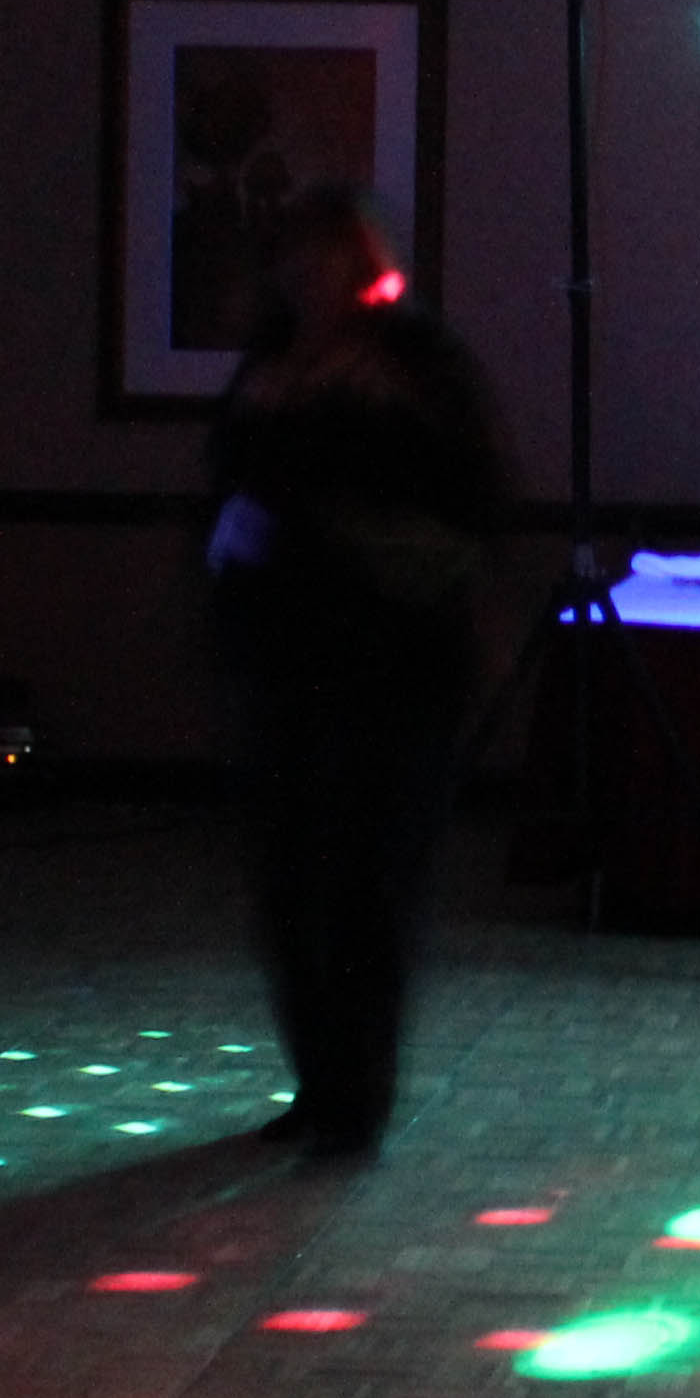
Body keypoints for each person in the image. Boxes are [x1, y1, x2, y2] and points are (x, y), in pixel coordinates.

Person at [204, 186, 498, 1163]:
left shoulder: (414, 363)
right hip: (285, 659)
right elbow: (234, 483)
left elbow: (470, 490)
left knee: (370, 889)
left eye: (328, 255)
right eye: (297, 256)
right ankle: (318, 1085)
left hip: (396, 666)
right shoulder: (271, 361)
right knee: (290, 887)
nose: (308, 274)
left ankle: (357, 1100)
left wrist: (338, 421)